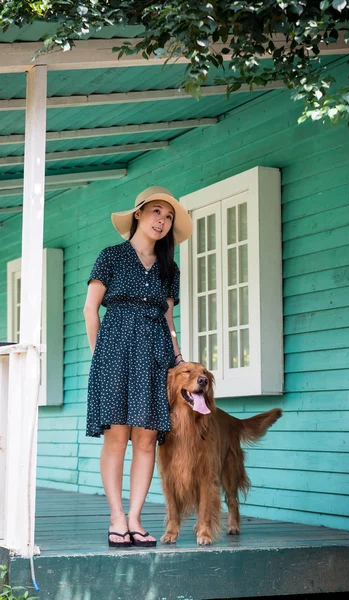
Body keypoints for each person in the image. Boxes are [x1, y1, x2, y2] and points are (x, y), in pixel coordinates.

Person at [83, 186, 193, 548]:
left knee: (146, 441)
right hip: (114, 350)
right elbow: (90, 309)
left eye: (168, 216)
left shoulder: (169, 268)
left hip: (155, 354)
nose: (162, 220)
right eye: (156, 212)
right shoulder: (111, 256)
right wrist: (100, 356)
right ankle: (116, 518)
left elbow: (168, 318)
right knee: (117, 438)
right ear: (138, 215)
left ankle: (134, 519)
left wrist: (177, 357)